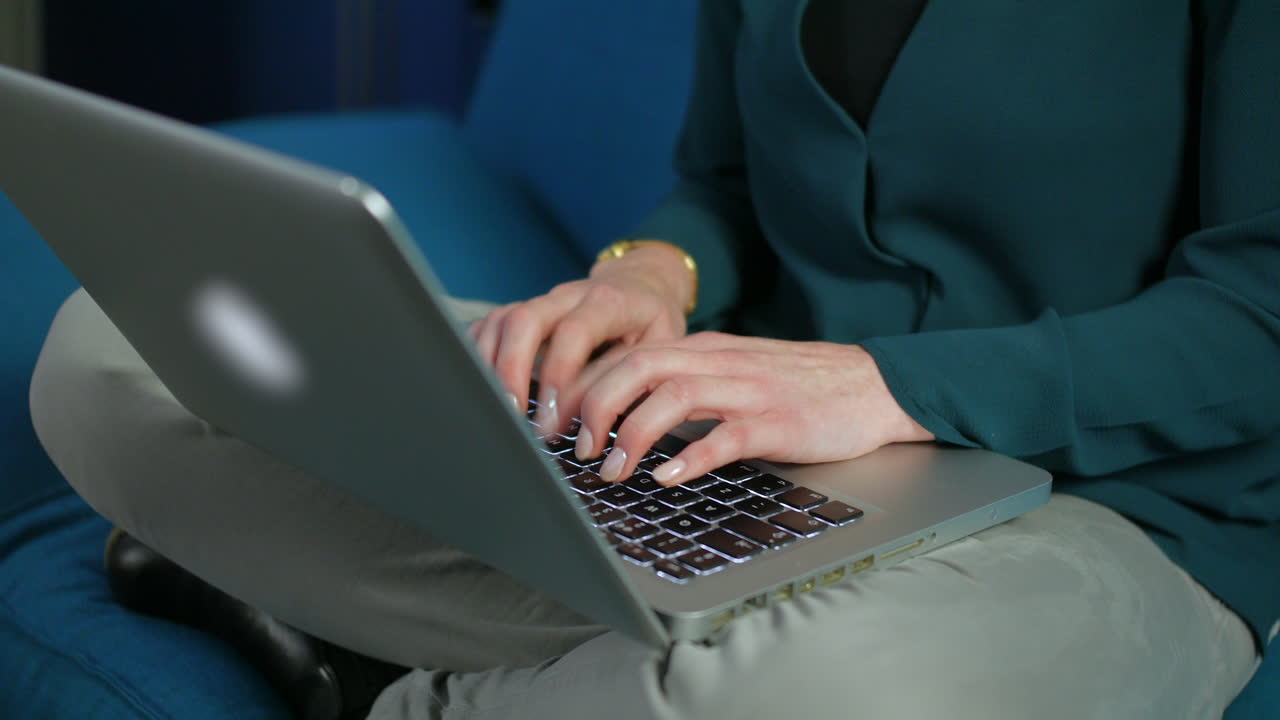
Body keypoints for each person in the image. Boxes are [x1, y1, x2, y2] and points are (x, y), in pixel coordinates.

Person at [29, 0, 1277, 717]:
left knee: (830, 688)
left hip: (1123, 509)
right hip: (739, 440)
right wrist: (648, 274)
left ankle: (374, 674)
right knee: (110, 348)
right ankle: (625, 650)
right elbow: (720, 184)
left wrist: (884, 385)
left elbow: (1258, 309)